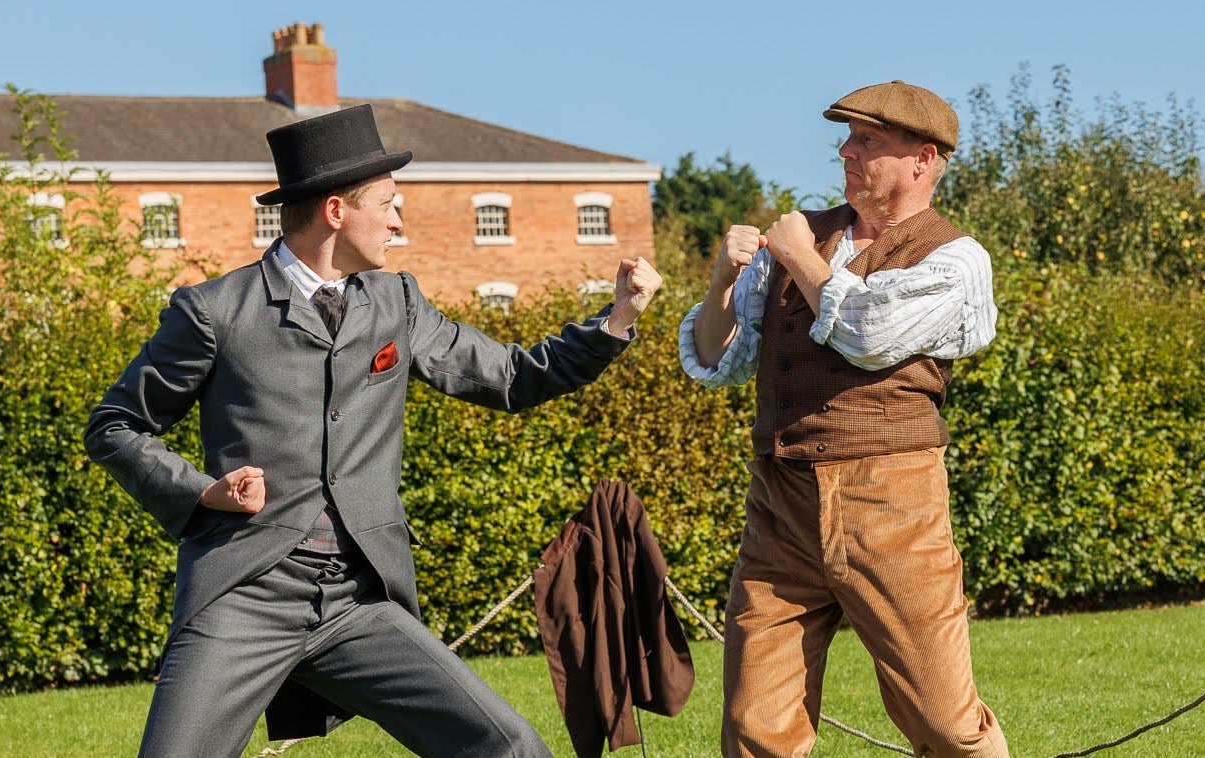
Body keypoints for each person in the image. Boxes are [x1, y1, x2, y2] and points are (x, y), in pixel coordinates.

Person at [85, 103, 662, 758]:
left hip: (358, 600)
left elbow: (510, 377)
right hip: (244, 594)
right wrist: (202, 492)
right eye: (388, 204)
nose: (397, 221)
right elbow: (115, 426)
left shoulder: (397, 302)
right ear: (337, 211)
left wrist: (616, 320)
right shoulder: (213, 311)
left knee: (509, 745)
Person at [678, 81, 1008, 757]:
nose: (846, 151)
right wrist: (721, 284)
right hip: (781, 503)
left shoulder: (955, 258)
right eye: (848, 137)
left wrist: (800, 256)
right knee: (754, 726)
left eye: (868, 140)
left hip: (894, 504)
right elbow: (717, 360)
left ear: (923, 159)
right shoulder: (805, 235)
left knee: (944, 722)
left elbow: (869, 333)